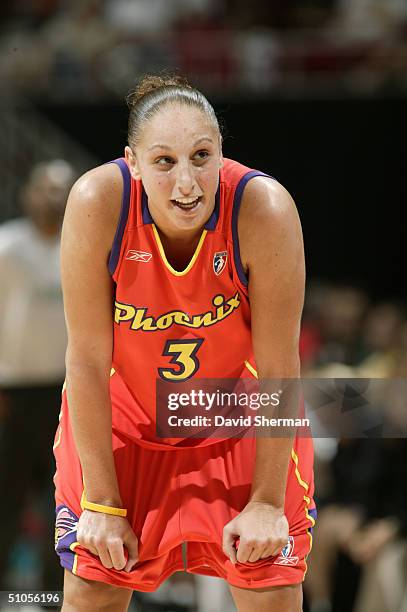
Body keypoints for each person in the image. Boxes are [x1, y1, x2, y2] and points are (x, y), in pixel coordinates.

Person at [54, 74, 315, 612]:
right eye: (165, 161)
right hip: (124, 420)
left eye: (201, 155)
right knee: (92, 589)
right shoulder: (97, 203)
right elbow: (83, 361)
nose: (187, 182)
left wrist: (266, 501)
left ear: (221, 151)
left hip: (238, 415)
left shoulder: (263, 209)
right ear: (132, 161)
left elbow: (279, 367)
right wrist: (101, 503)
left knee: (271, 586)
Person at [0, 160, 75, 592]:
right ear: (28, 193)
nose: (54, 196)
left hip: (65, 393)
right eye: (46, 188)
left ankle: (53, 595)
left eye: (62, 188)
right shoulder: (8, 247)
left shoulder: (81, 243)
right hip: (12, 393)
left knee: (61, 500)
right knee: (5, 500)